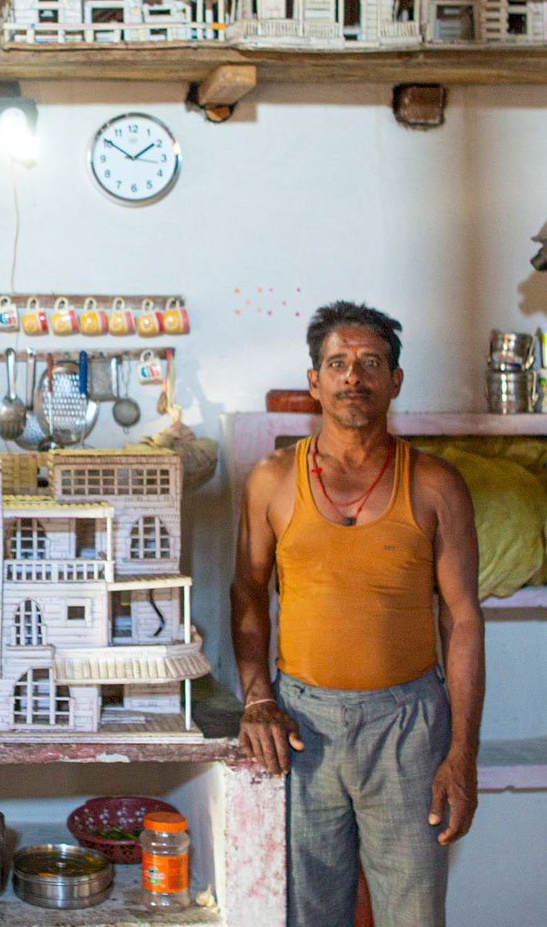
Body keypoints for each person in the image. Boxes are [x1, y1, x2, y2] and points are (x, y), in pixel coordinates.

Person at [230, 301, 485, 927]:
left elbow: (464, 620)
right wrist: (257, 696)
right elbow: (246, 591)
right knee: (303, 913)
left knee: (414, 914)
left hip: (408, 729)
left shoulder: (433, 484)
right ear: (314, 381)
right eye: (338, 363)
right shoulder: (271, 480)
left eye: (371, 363)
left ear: (395, 380)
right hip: (300, 728)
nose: (354, 377)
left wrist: (462, 754)